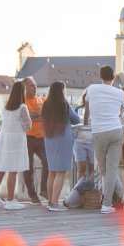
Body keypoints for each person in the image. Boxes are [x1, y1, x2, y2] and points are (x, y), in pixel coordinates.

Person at [84, 65, 124, 214]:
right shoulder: (120, 92)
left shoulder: (92, 89)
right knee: (110, 169)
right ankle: (122, 195)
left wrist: (85, 123)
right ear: (113, 78)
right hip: (116, 131)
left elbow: (87, 108)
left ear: (100, 76)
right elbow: (122, 111)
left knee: (105, 169)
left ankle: (107, 203)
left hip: (99, 133)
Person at [0, 79, 32, 209]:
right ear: (22, 92)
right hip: (15, 141)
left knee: (2, 168)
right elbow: (28, 126)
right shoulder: (22, 107)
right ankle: (10, 200)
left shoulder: (7, 107)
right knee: (13, 170)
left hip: (4, 140)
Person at [39, 81, 79, 211]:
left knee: (52, 171)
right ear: (62, 91)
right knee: (61, 172)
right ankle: (55, 204)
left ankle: (50, 201)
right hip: (63, 140)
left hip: (49, 140)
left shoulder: (46, 104)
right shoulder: (64, 105)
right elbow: (76, 119)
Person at [21, 84, 46, 202]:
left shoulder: (41, 99)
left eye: (35, 86)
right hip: (27, 138)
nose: (35, 88)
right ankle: (32, 194)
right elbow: (26, 117)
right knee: (28, 167)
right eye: (31, 86)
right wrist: (38, 114)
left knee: (48, 162)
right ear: (25, 88)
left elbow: (47, 114)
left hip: (42, 138)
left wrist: (37, 115)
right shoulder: (22, 101)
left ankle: (44, 189)